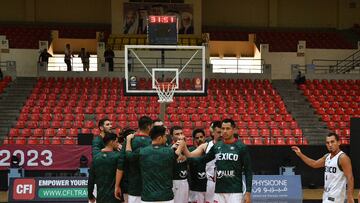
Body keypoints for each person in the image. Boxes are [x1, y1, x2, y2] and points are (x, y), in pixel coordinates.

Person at [181, 119, 253, 203]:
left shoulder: (241, 147)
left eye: (228, 128)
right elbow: (203, 159)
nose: (225, 131)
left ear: (234, 130)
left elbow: (248, 171)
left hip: (235, 191)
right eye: (223, 129)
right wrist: (186, 154)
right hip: (218, 190)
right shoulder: (217, 146)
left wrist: (248, 193)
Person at [292, 133, 354, 203]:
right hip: (326, 195)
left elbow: (350, 177)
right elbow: (314, 164)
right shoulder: (327, 156)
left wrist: (350, 196)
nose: (330, 145)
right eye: (328, 143)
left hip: (336, 197)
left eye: (332, 142)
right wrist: (300, 154)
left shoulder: (343, 158)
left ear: (339, 142)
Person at [126, 126, 183, 203]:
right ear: (160, 138)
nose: (166, 139)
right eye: (165, 136)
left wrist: (128, 140)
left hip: (148, 198)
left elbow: (128, 155)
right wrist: (181, 142)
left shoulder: (142, 151)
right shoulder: (169, 152)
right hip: (166, 197)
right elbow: (178, 152)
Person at [115, 116, 153, 203]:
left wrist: (117, 185)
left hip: (133, 186)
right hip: (151, 187)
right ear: (149, 126)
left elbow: (120, 165)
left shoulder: (129, 140)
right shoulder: (153, 141)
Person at [88, 132, 122, 203]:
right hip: (115, 197)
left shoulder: (96, 158)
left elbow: (91, 179)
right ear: (111, 142)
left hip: (100, 197)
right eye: (117, 142)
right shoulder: (118, 156)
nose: (118, 144)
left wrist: (90, 195)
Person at [169, 126, 189, 203]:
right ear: (171, 136)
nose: (180, 136)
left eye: (181, 133)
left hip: (185, 181)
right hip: (174, 181)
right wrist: (172, 150)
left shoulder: (187, 149)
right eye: (177, 134)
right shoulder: (169, 149)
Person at [188, 129, 207, 203]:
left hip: (208, 187)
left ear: (204, 137)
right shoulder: (190, 151)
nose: (199, 139)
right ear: (194, 139)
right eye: (197, 138)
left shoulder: (210, 150)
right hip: (195, 187)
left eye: (201, 137)